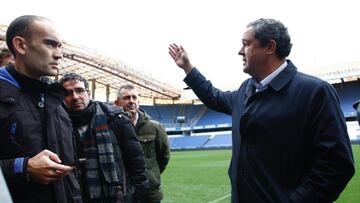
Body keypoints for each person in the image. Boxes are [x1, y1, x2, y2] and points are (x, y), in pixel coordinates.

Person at [169, 18, 355, 203]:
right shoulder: (245, 90)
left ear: (270, 47)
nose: (240, 51)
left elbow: (336, 166)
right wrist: (188, 68)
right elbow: (214, 97)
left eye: (246, 44)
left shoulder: (315, 92)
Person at [0, 15, 82, 202]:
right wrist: (23, 167)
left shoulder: (55, 96)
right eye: (50, 44)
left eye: (60, 46)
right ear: (21, 45)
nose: (59, 54)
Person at [59, 73, 148, 203]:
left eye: (79, 90)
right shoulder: (57, 123)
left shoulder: (115, 118)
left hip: (115, 196)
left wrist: (137, 196)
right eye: (68, 93)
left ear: (88, 93)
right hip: (75, 195)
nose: (75, 97)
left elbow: (136, 162)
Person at [115, 84, 170, 203]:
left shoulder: (155, 127)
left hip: (149, 192)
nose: (131, 101)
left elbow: (163, 157)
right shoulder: (112, 128)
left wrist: (150, 174)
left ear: (138, 101)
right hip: (122, 193)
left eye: (134, 98)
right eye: (126, 98)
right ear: (117, 103)